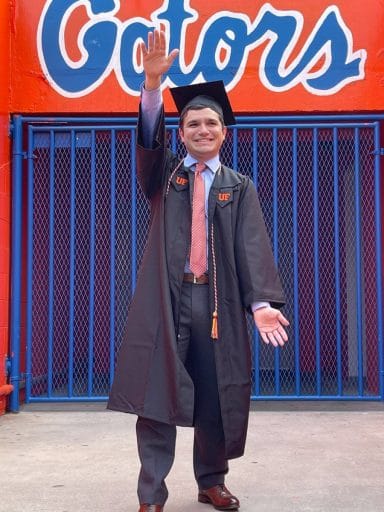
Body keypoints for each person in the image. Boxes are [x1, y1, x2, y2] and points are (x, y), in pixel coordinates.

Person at [108, 28, 289, 512]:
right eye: (193, 125)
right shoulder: (165, 175)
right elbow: (148, 141)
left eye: (211, 123)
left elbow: (253, 246)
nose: (203, 130)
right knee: (156, 396)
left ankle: (211, 480)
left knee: (215, 396)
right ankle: (151, 495)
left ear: (224, 131)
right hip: (169, 302)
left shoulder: (239, 186)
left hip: (219, 304)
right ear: (181, 132)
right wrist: (150, 87)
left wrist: (261, 303)